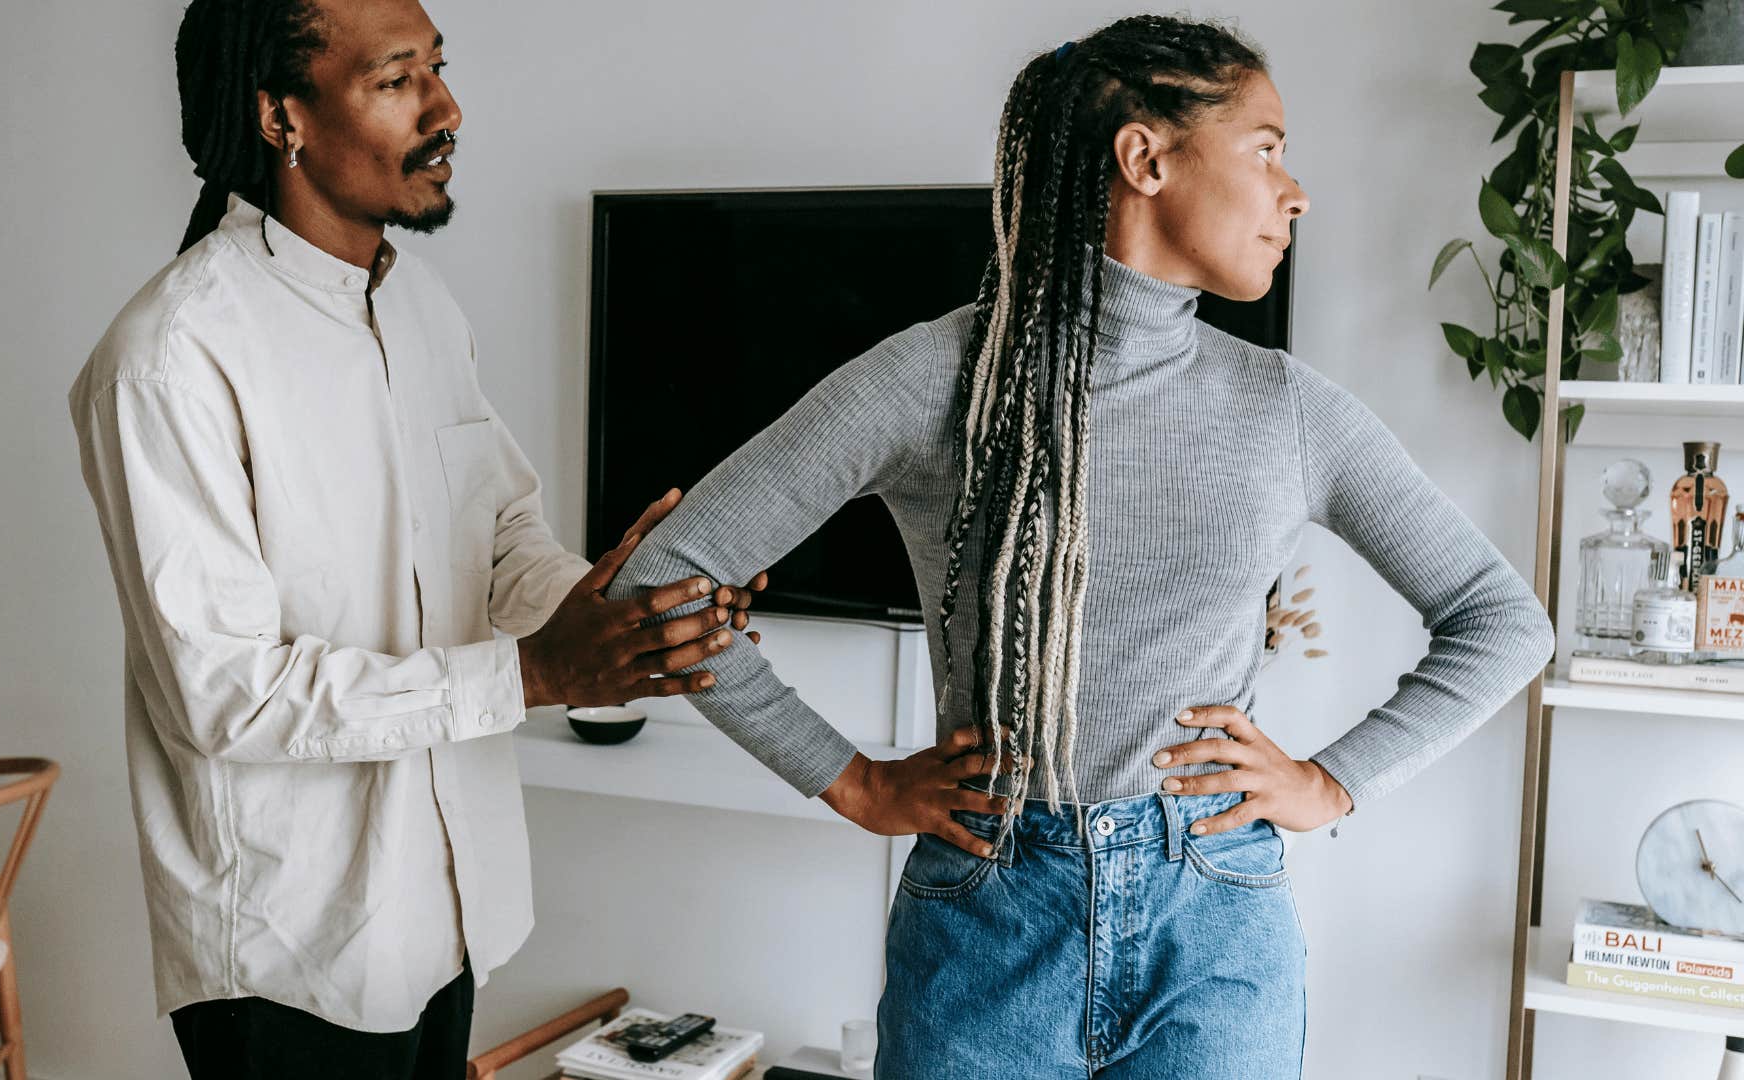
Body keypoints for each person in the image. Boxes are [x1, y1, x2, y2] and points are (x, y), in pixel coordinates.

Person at [606, 15, 1555, 1078]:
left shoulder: (1288, 410)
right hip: (987, 917)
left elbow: (1504, 621)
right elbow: (662, 579)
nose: (1294, 192)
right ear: (1146, 157)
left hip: (1216, 932)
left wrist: (1332, 782)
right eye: (1268, 147)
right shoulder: (931, 379)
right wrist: (855, 782)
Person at [66, 1, 763, 1076]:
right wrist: (534, 675)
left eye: (437, 69)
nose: (449, 108)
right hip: (293, 956)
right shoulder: (167, 359)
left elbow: (500, 545)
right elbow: (229, 695)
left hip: (448, 914)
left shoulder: (424, 308)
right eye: (398, 80)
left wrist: (624, 615)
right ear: (278, 115)